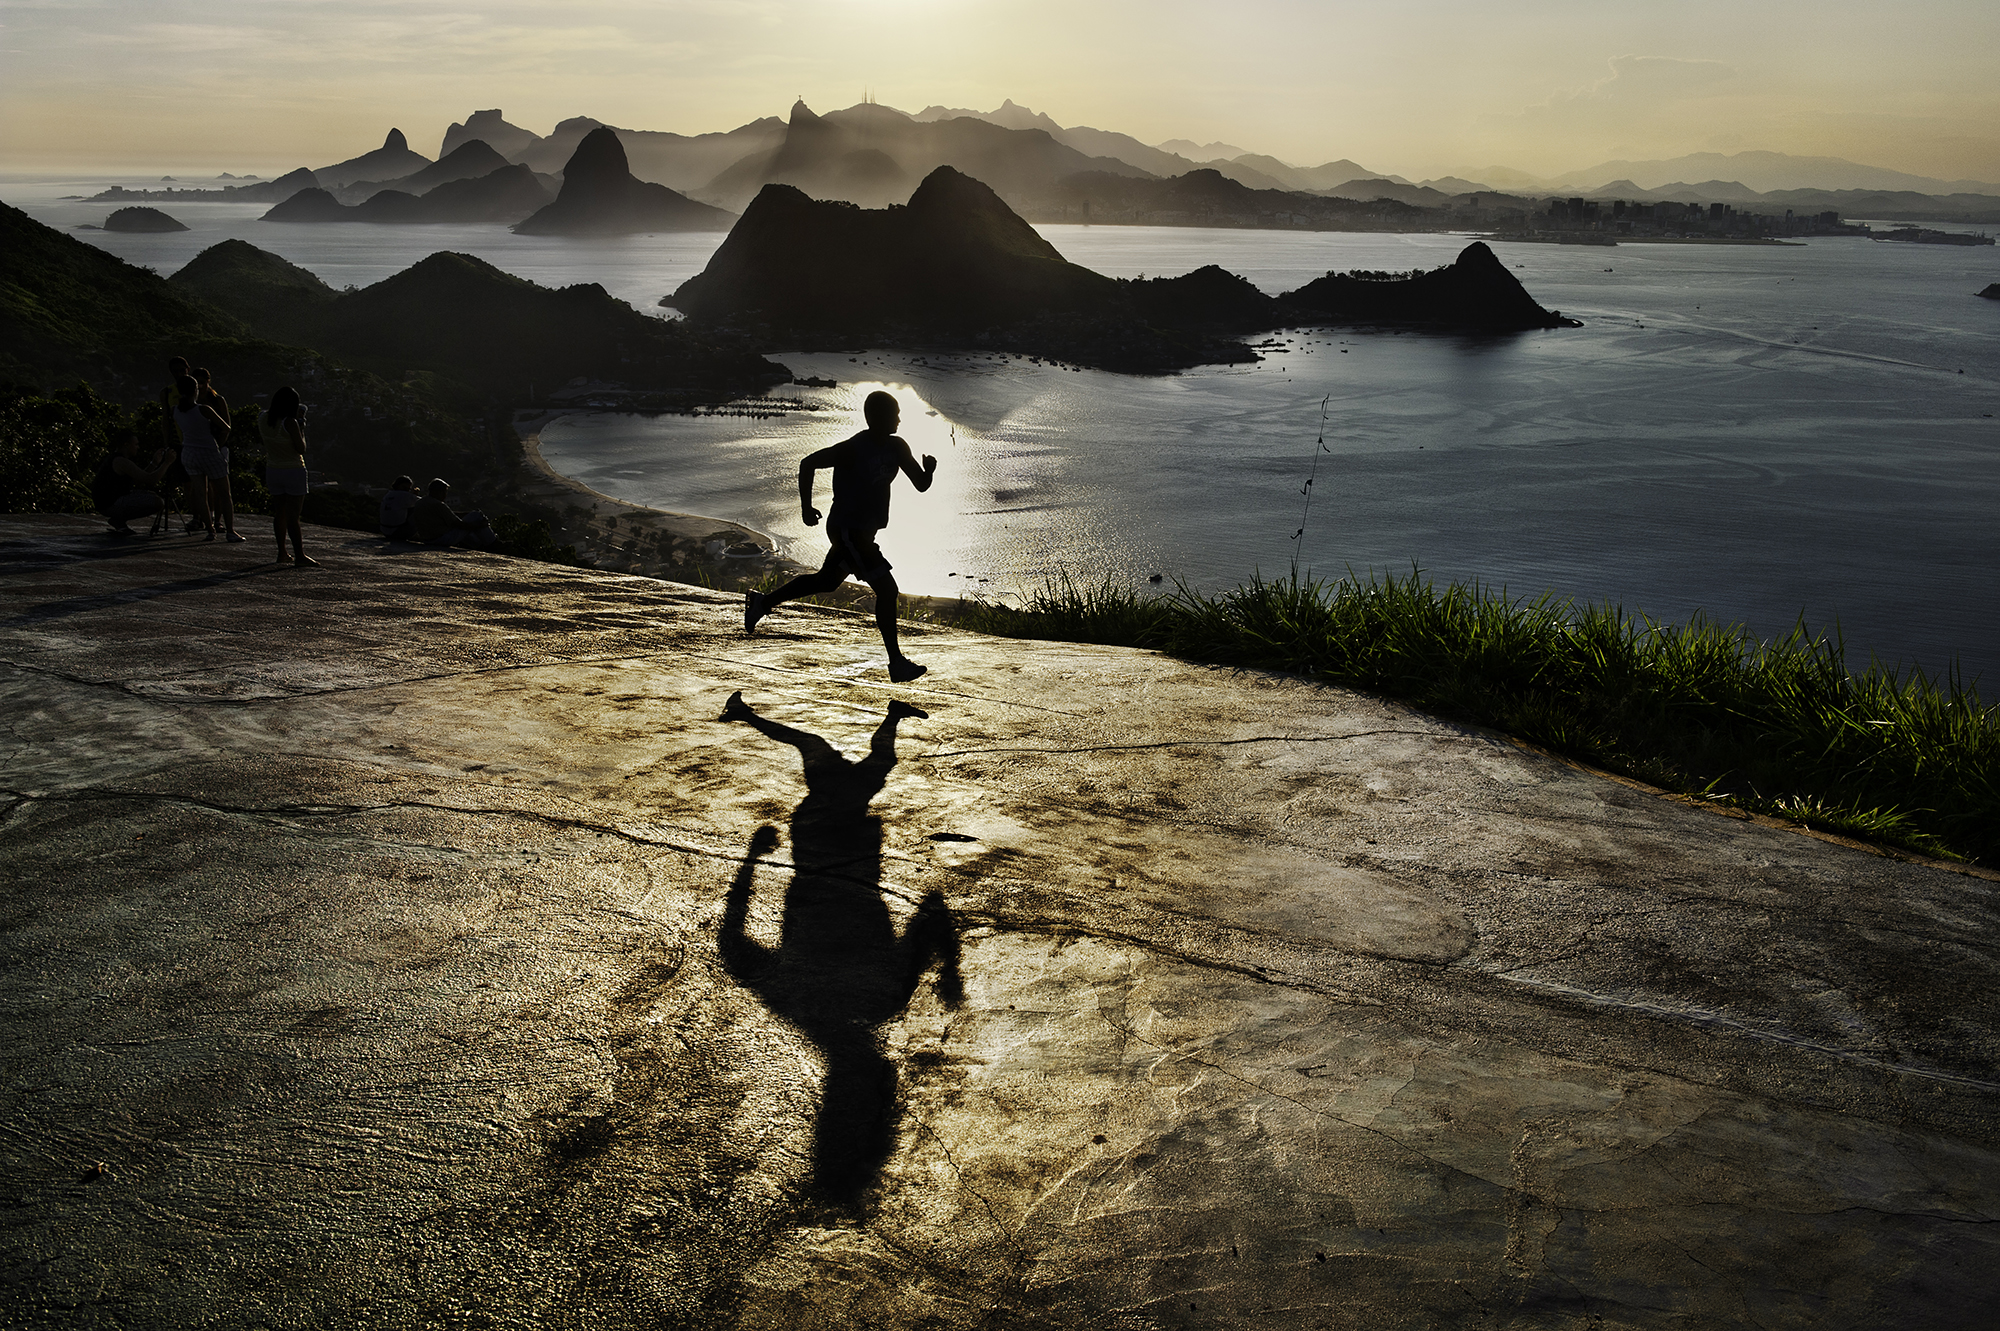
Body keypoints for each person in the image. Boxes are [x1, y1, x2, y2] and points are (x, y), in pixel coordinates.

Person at [743, 391, 936, 684]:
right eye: (894, 414)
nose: (899, 418)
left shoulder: (898, 447)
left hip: (861, 533)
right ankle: (896, 663)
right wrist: (806, 507)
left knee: (826, 582)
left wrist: (930, 471)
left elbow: (921, 485)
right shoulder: (854, 448)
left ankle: (762, 603)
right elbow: (808, 463)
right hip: (849, 530)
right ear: (876, 418)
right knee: (887, 590)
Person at [170, 373, 233, 541]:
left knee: (200, 493)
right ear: (195, 390)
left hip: (189, 453)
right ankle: (230, 531)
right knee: (224, 494)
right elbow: (226, 427)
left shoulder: (175, 410)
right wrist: (218, 444)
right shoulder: (203, 409)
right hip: (209, 451)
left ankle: (210, 531)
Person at [261, 386, 316, 565]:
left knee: (280, 513)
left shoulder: (262, 418)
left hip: (273, 469)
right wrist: (301, 428)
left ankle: (282, 553)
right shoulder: (290, 422)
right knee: (294, 516)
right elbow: (301, 448)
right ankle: (299, 555)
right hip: (293, 470)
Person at [193, 367, 244, 542]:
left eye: (203, 382)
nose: (200, 386)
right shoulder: (192, 403)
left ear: (209, 382)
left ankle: (218, 522)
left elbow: (226, 426)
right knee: (202, 489)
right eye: (197, 383)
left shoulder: (217, 400)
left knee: (219, 488)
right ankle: (204, 521)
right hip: (201, 448)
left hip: (217, 447)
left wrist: (218, 445)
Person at [92, 428, 174, 536]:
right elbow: (151, 480)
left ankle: (118, 521)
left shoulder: (117, 459)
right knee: (157, 502)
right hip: (110, 504)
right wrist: (167, 463)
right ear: (126, 445)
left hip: (108, 502)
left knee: (151, 497)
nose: (138, 447)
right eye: (135, 444)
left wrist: (154, 463)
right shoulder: (121, 462)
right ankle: (118, 519)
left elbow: (139, 480)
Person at [409, 479, 497, 550]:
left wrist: (466, 515)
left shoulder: (421, 502)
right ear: (439, 492)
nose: (445, 495)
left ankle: (478, 545)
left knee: (470, 522)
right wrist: (480, 525)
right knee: (476, 515)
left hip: (427, 539)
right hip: (440, 540)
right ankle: (494, 543)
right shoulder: (438, 504)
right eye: (445, 492)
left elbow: (448, 515)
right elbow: (458, 524)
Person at [379, 475, 420, 540]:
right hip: (398, 532)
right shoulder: (404, 495)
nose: (406, 490)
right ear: (398, 485)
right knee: (419, 509)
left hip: (384, 530)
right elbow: (423, 503)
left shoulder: (388, 494)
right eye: (405, 488)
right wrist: (414, 495)